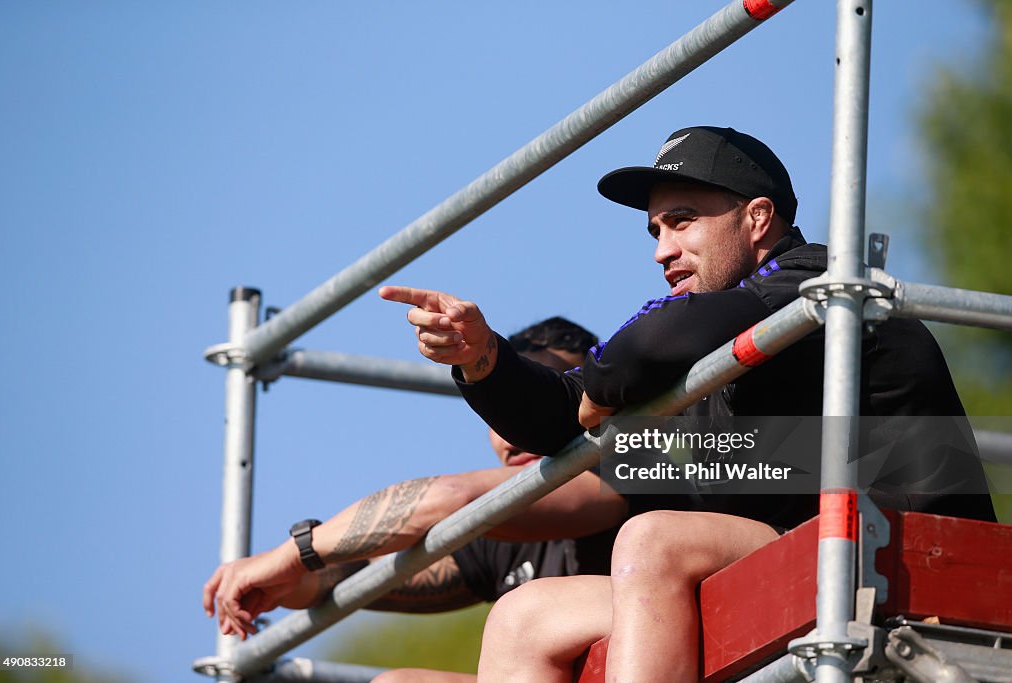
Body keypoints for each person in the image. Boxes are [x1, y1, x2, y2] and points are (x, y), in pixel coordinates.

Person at [380, 125, 996, 682]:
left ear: (757, 219)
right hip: (799, 559)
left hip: (911, 559)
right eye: (655, 230)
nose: (661, 251)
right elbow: (562, 419)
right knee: (525, 614)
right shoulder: (716, 352)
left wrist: (602, 386)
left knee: (655, 539)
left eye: (682, 221)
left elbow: (652, 344)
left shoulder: (819, 291)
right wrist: (481, 356)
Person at [202, 318, 629, 680]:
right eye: (504, 411)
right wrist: (291, 581)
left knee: (525, 613)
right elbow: (365, 577)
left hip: (657, 639)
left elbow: (450, 497)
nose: (513, 433)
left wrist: (293, 554)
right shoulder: (503, 543)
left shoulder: (620, 468)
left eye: (540, 403)